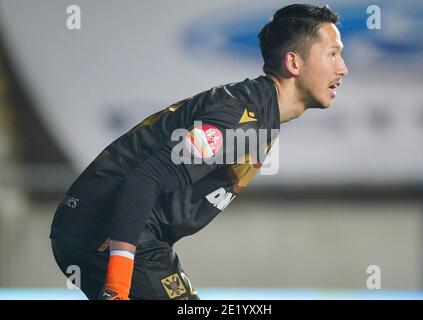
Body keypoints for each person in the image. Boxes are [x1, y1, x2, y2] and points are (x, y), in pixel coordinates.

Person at [50, 3, 348, 300]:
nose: (343, 68)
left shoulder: (259, 110)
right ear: (294, 63)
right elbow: (144, 180)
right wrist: (117, 286)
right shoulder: (243, 120)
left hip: (106, 230)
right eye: (332, 54)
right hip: (102, 229)